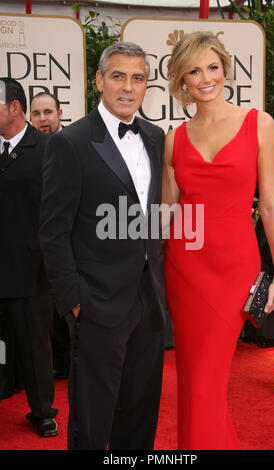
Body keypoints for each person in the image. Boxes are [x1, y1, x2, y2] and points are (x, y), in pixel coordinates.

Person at [162, 32, 274, 450]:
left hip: (236, 270)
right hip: (186, 271)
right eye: (194, 70)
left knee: (206, 383)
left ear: (225, 70)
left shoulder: (259, 124)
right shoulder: (174, 139)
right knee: (197, 383)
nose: (206, 77)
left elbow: (270, 205)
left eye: (212, 67)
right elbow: (167, 217)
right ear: (182, 80)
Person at [40, 42, 166, 450]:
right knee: (93, 418)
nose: (128, 87)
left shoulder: (156, 137)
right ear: (98, 80)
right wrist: (74, 303)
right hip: (96, 303)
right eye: (118, 76)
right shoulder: (70, 143)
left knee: (141, 411)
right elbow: (53, 232)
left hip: (149, 300)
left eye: (138, 78)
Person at [0, 78, 58, 437]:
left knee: (36, 345)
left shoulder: (50, 148)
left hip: (32, 268)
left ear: (14, 108)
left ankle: (43, 412)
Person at [31, 92, 70, 380]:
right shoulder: (25, 150)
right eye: (37, 114)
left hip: (69, 245)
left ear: (59, 112)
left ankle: (69, 364)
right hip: (33, 246)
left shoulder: (73, 146)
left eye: (48, 112)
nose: (43, 119)